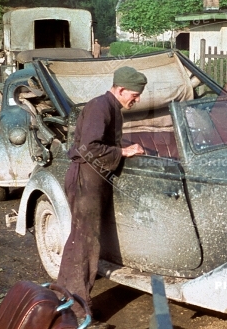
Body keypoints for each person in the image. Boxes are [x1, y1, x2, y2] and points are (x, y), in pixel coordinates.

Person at [57, 66, 147, 328]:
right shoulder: (100, 107)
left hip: (92, 180)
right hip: (86, 182)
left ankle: (62, 299)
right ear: (120, 89)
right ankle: (76, 313)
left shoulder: (110, 107)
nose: (137, 99)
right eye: (134, 94)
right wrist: (123, 152)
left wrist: (122, 147)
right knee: (85, 245)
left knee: (79, 242)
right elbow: (89, 147)